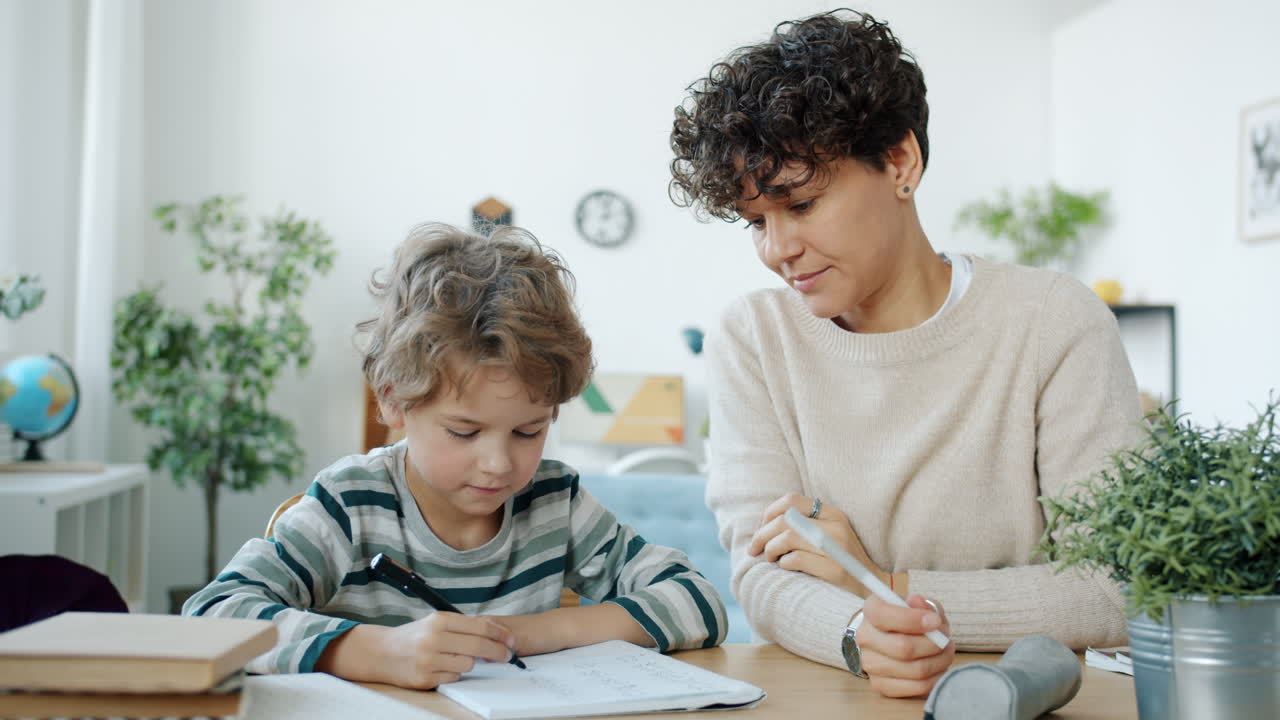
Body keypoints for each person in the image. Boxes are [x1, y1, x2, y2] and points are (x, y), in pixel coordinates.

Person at [668, 10, 1145, 698]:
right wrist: (860, 632)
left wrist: (889, 590)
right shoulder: (753, 338)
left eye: (800, 205)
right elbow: (762, 573)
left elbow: (1114, 586)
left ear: (900, 161)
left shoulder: (1053, 321)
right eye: (755, 223)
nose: (777, 250)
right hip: (831, 699)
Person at [184, 223, 725, 689]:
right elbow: (213, 618)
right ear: (393, 400)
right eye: (464, 432)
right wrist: (374, 652)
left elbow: (697, 601)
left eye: (528, 431)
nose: (498, 464)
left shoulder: (553, 503)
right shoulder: (352, 505)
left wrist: (527, 635)